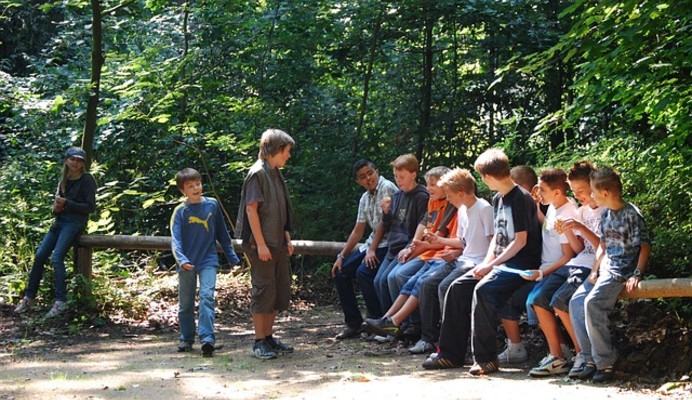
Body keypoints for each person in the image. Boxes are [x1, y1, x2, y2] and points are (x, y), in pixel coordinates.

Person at [569, 167, 651, 383]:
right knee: (576, 301)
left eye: (593, 192)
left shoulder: (631, 213)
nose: (591, 197)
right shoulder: (606, 213)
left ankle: (605, 362)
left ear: (605, 193)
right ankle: (589, 359)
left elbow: (644, 246)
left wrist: (636, 274)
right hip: (605, 267)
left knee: (592, 304)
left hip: (621, 270)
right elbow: (603, 247)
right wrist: (595, 269)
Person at [363, 166, 457, 338]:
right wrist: (413, 245)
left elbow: (441, 239)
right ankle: (389, 322)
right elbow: (423, 225)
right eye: (428, 184)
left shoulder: (450, 205)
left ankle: (412, 326)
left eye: (433, 185)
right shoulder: (431, 200)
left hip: (436, 254)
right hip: (423, 251)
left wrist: (416, 246)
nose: (428, 188)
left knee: (403, 277)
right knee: (390, 277)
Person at [409, 168, 494, 355]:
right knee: (427, 283)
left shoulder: (484, 208)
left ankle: (453, 344)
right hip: (463, 259)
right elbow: (462, 241)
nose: (447, 199)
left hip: (476, 262)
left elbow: (493, 241)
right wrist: (439, 241)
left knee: (445, 286)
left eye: (449, 195)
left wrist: (487, 265)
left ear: (461, 193)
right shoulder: (462, 209)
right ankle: (429, 339)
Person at [14, 147, 96, 318]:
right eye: (72, 159)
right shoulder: (63, 181)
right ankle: (29, 297)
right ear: (66, 160)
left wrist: (67, 203)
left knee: (56, 257)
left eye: (79, 160)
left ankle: (60, 301)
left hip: (75, 223)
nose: (75, 163)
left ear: (83, 164)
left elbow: (90, 207)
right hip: (60, 222)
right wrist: (57, 207)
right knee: (39, 256)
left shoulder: (87, 180)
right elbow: (57, 211)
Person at [236, 129, 296, 360]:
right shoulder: (257, 174)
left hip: (277, 243)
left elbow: (280, 211)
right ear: (275, 149)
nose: (288, 156)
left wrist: (287, 239)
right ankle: (259, 341)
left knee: (277, 291)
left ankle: (269, 337)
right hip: (261, 244)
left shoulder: (275, 172)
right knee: (262, 291)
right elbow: (251, 210)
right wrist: (260, 244)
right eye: (287, 151)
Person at [171, 168, 241, 357]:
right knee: (185, 303)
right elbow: (175, 241)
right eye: (190, 186)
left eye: (198, 184)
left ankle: (207, 338)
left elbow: (222, 234)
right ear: (182, 190)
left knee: (207, 297)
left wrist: (232, 257)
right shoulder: (180, 212)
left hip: (208, 260)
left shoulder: (212, 205)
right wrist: (183, 260)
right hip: (186, 262)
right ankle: (186, 337)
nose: (196, 188)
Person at [522, 169, 580, 376]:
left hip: (560, 268)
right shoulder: (555, 206)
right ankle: (559, 352)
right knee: (534, 300)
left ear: (556, 191)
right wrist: (536, 205)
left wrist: (541, 272)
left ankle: (568, 354)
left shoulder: (567, 212)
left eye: (543, 189)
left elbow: (568, 254)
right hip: (548, 268)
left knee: (539, 299)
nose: (539, 191)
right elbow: (546, 226)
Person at [332, 159, 397, 340]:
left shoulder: (387, 187)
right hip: (372, 244)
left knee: (364, 272)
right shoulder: (365, 198)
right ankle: (354, 324)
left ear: (377, 171)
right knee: (341, 272)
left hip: (389, 244)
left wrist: (372, 250)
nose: (368, 178)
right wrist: (341, 256)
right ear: (358, 182)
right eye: (363, 177)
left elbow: (385, 223)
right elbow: (358, 230)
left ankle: (377, 322)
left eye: (370, 173)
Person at [372, 154, 429, 316]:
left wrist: (410, 247)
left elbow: (422, 227)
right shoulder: (396, 196)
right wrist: (386, 213)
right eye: (396, 176)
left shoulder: (422, 197)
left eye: (401, 176)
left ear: (413, 174)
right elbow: (388, 225)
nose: (398, 180)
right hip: (393, 247)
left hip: (407, 247)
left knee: (391, 279)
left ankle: (403, 323)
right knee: (378, 281)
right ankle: (385, 323)